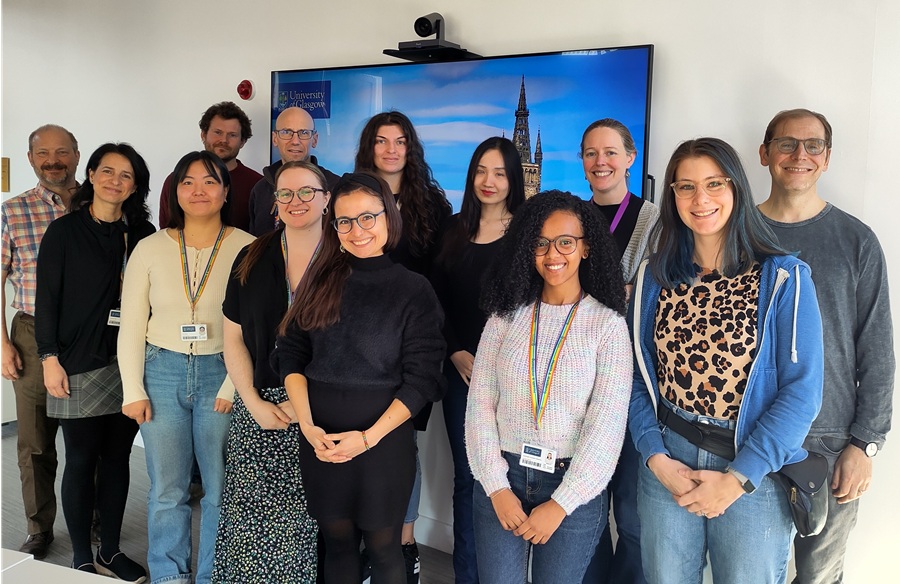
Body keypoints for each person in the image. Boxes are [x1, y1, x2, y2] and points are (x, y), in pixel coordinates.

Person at [630, 137, 824, 583]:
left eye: (714, 183)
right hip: (668, 461)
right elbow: (637, 378)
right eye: (685, 187)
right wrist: (654, 457)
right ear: (672, 196)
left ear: (736, 188)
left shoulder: (784, 278)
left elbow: (802, 392)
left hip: (750, 465)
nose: (701, 199)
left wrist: (739, 479)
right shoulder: (654, 278)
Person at [271, 171, 445, 584]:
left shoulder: (414, 289)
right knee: (337, 543)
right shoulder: (320, 279)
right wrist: (308, 426)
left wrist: (366, 438)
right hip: (321, 439)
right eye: (345, 221)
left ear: (389, 216)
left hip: (382, 445)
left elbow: (422, 379)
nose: (357, 230)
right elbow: (291, 353)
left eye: (367, 217)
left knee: (385, 550)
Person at [465, 190, 632, 583]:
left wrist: (561, 504)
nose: (552, 254)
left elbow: (606, 427)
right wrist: (495, 486)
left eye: (565, 242)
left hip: (570, 484)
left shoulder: (607, 325)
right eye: (540, 243)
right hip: (502, 476)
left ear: (586, 248)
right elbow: (480, 403)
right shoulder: (506, 316)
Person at [757, 109, 894, 584]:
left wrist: (865, 444)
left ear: (827, 158)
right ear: (764, 153)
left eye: (813, 145)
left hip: (831, 443)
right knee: (749, 570)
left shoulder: (857, 241)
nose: (800, 155)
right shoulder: (735, 236)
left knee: (819, 576)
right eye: (786, 143)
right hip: (751, 436)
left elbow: (878, 353)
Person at [118, 151, 254, 584]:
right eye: (187, 181)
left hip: (222, 369)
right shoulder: (150, 247)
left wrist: (234, 386)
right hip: (161, 372)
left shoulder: (248, 246)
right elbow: (132, 324)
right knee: (167, 490)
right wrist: (131, 389)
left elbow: (255, 328)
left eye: (209, 181)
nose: (198, 190)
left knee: (220, 490)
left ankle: (214, 575)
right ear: (175, 191)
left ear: (225, 190)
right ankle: (169, 576)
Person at [34, 143, 155, 579]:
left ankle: (111, 550)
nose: (115, 180)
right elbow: (45, 301)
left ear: (134, 186)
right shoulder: (63, 233)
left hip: (128, 364)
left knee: (118, 458)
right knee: (81, 460)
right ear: (90, 174)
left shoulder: (142, 236)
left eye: (126, 175)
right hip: (76, 363)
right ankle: (82, 554)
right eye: (108, 171)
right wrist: (49, 358)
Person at [212, 160, 329, 583]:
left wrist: (306, 408)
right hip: (259, 410)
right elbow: (233, 339)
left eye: (307, 192)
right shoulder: (252, 256)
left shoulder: (345, 259)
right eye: (286, 194)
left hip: (322, 416)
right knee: (249, 527)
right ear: (274, 202)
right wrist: (253, 401)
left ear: (326, 199)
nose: (296, 201)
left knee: (311, 527)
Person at [354, 111, 452, 582]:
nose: (391, 149)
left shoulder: (431, 204)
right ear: (369, 147)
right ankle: (358, 544)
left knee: (400, 448)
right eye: (381, 141)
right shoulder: (349, 195)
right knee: (354, 440)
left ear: (410, 148)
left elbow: (441, 277)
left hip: (409, 347)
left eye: (400, 141)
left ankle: (403, 544)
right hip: (351, 348)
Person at [430, 136, 525, 583]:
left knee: (515, 481)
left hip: (515, 377)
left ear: (514, 179)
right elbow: (435, 302)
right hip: (462, 376)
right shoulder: (451, 230)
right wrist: (455, 350)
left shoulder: (528, 232)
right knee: (469, 479)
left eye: (501, 173)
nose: (489, 182)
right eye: (481, 171)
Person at [579, 118, 659, 584]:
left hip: (635, 386)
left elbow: (656, 294)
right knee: (584, 510)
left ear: (630, 158)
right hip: (579, 382)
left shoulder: (655, 220)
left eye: (611, 152)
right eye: (591, 153)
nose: (601, 162)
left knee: (631, 515)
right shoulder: (572, 218)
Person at [2, 124, 80, 559]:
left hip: (90, 336)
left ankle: (91, 519)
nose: (54, 160)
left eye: (62, 151)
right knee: (34, 442)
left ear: (77, 154)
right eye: (44, 152)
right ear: (31, 159)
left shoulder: (100, 204)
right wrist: (1, 344)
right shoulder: (12, 211)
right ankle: (38, 527)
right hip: (31, 333)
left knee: (89, 439)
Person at [158, 101, 263, 231]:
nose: (224, 140)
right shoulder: (177, 180)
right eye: (218, 132)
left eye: (232, 135)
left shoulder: (258, 185)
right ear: (203, 135)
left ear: (242, 141)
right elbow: (167, 232)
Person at [248, 107, 339, 236]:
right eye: (286, 132)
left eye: (304, 133)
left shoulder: (335, 186)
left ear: (314, 139)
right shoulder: (260, 190)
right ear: (275, 138)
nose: (295, 141)